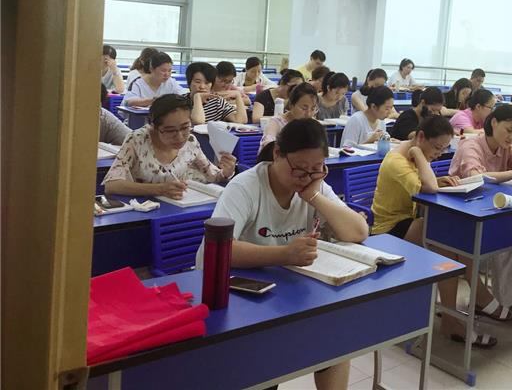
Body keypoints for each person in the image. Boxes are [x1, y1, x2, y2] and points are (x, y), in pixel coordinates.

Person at [198, 118, 368, 390]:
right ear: (277, 153)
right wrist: (284, 254)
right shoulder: (246, 187)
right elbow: (216, 249)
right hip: (240, 297)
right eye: (299, 169)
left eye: (317, 169)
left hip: (288, 292)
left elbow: (358, 231)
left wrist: (314, 197)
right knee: (263, 366)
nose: (307, 177)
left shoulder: (314, 185)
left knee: (336, 343)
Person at [371, 115, 499, 348]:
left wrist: (439, 179)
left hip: (409, 221)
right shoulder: (398, 160)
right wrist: (420, 157)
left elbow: (427, 184)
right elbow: (427, 187)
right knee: (443, 240)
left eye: (444, 149)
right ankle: (455, 316)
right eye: (437, 148)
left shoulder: (418, 151)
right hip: (387, 230)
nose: (439, 153)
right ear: (421, 137)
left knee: (453, 236)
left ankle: (464, 305)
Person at [449, 104, 512, 330]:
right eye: (508, 130)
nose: (511, 137)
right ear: (493, 122)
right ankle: (508, 301)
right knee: (511, 242)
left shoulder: (508, 147)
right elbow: (476, 177)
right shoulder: (471, 144)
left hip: (494, 212)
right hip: (464, 218)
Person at [103, 94, 236, 197]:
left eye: (185, 127)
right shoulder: (138, 140)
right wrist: (159, 189)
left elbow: (212, 175)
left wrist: (226, 172)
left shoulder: (190, 141)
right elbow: (111, 185)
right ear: (154, 127)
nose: (179, 136)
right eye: (170, 131)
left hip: (179, 207)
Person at [260, 83, 319, 150]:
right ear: (291, 105)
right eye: (304, 108)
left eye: (313, 109)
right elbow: (268, 144)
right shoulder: (276, 123)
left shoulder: (313, 124)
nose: (308, 114)